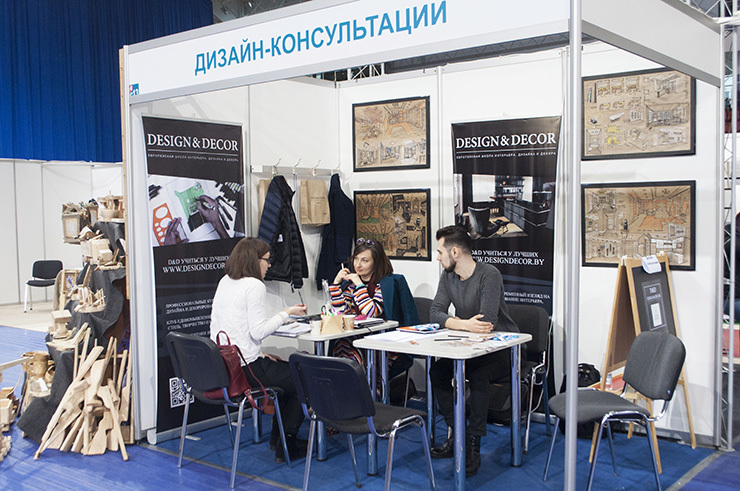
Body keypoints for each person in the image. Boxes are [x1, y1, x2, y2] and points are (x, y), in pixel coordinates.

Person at [428, 225, 518, 477]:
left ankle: (472, 443)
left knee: (478, 374)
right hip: (466, 346)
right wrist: (464, 324)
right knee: (438, 371)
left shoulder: (489, 274)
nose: (438, 257)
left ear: (455, 252)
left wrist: (455, 322)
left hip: (500, 349)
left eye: (440, 252)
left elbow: (487, 322)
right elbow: (435, 312)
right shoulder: (448, 277)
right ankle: (458, 432)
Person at [210, 237, 308, 463]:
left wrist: (258, 352)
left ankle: (278, 439)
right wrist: (287, 313)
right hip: (247, 368)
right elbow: (259, 331)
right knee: (302, 377)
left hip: (227, 364)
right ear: (255, 261)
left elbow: (226, 327)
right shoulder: (254, 286)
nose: (269, 265)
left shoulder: (225, 281)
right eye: (267, 260)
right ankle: (286, 444)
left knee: (285, 371)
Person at [329, 237, 418, 380]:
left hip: (383, 341)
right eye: (356, 259)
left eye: (365, 260)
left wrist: (359, 286)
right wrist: (335, 284)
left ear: (376, 262)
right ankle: (343, 390)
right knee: (341, 347)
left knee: (357, 353)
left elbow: (371, 312)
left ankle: (364, 391)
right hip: (353, 338)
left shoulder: (385, 284)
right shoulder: (349, 285)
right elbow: (340, 313)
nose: (358, 265)